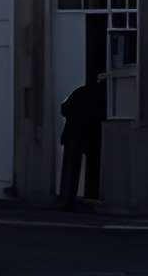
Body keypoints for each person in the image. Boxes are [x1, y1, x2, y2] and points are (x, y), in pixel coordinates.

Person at [57, 73, 103, 208]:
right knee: (87, 167)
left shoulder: (80, 92)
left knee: (69, 168)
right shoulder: (99, 96)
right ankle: (83, 195)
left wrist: (73, 117)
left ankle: (66, 198)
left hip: (73, 133)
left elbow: (64, 109)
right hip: (88, 135)